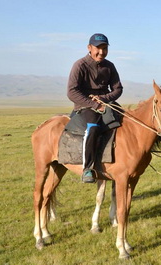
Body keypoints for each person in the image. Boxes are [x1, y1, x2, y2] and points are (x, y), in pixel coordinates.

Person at [67, 33, 123, 183]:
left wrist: (103, 99)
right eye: (98, 48)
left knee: (128, 121)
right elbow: (72, 92)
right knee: (93, 128)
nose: (101, 52)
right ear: (89, 48)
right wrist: (94, 104)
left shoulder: (109, 66)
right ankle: (88, 169)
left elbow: (118, 89)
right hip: (85, 106)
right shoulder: (80, 65)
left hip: (106, 103)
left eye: (105, 48)